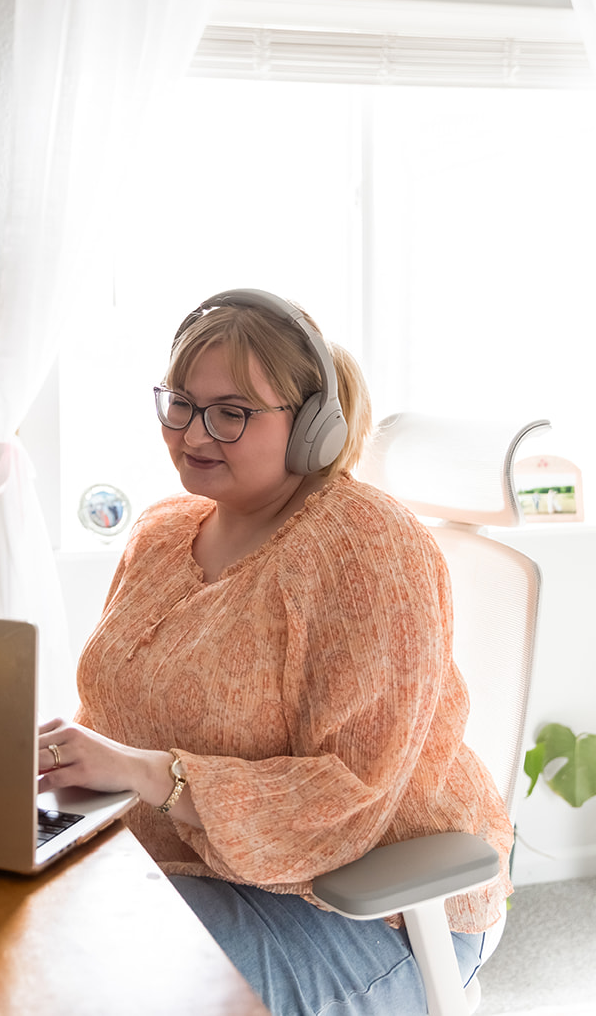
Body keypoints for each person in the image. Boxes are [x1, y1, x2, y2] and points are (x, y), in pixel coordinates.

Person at [35, 289, 513, 1016]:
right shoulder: (163, 533)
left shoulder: (364, 546)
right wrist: (62, 768)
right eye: (181, 403)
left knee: (107, 982)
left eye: (231, 411)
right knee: (19, 931)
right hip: (181, 869)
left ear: (311, 428)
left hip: (364, 911)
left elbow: (349, 794)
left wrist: (151, 773)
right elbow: (112, 707)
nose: (195, 433)